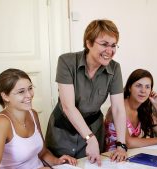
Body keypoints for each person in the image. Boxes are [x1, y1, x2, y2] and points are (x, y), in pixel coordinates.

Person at [45, 19, 127, 165]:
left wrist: (121, 144)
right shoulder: (66, 61)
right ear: (89, 43)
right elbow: (68, 107)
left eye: (113, 45)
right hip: (62, 131)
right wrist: (90, 138)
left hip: (94, 128)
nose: (110, 51)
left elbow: (118, 109)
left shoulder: (115, 69)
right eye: (104, 44)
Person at [0, 68, 77, 169]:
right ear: (5, 96)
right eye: (21, 92)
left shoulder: (33, 114)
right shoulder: (1, 123)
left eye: (30, 88)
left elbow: (42, 153)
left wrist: (57, 161)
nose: (29, 95)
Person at [104, 69, 157, 151]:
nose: (143, 91)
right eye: (138, 85)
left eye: (147, 87)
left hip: (131, 156)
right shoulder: (119, 107)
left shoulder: (143, 109)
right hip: (112, 157)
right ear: (129, 88)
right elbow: (128, 142)